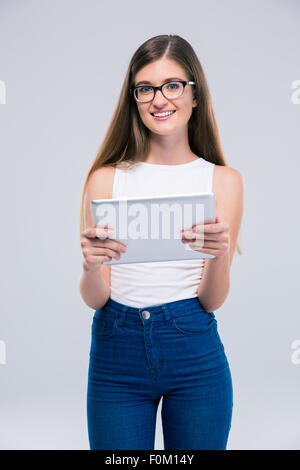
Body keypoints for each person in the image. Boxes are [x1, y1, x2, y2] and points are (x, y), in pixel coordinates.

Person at [78, 34, 244, 450]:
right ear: (134, 98)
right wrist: (89, 265)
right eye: (146, 88)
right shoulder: (105, 178)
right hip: (116, 351)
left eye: (173, 85)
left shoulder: (223, 181)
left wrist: (219, 256)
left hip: (193, 347)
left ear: (194, 95)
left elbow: (212, 299)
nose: (159, 99)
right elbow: (95, 298)